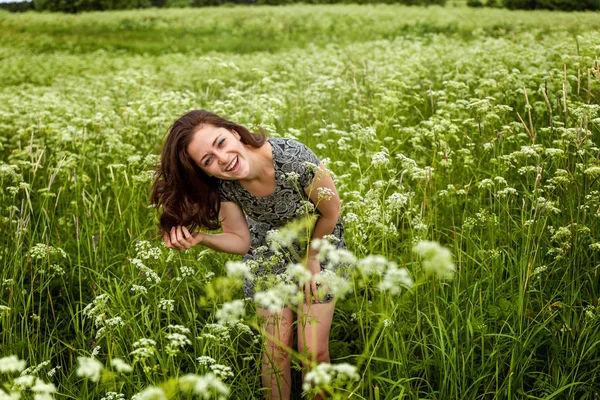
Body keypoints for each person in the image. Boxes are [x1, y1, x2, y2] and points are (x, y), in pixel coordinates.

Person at [151, 110, 347, 400]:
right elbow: (241, 242)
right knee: (276, 350)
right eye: (208, 160)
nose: (223, 158)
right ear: (205, 171)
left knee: (312, 352)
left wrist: (312, 259)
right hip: (267, 252)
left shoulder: (293, 157)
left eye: (220, 142)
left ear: (234, 132)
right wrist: (202, 238)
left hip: (318, 243)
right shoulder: (224, 185)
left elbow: (331, 212)